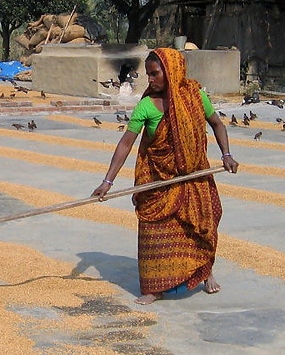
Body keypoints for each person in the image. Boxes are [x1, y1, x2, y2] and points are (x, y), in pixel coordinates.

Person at [91, 48, 239, 305]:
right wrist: (107, 182)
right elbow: (126, 143)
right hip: (158, 180)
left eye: (155, 73)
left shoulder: (196, 97)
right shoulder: (146, 106)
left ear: (172, 70)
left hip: (194, 177)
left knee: (201, 225)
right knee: (154, 233)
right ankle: (154, 288)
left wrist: (226, 154)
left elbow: (216, 123)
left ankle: (205, 271)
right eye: (148, 74)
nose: (150, 79)